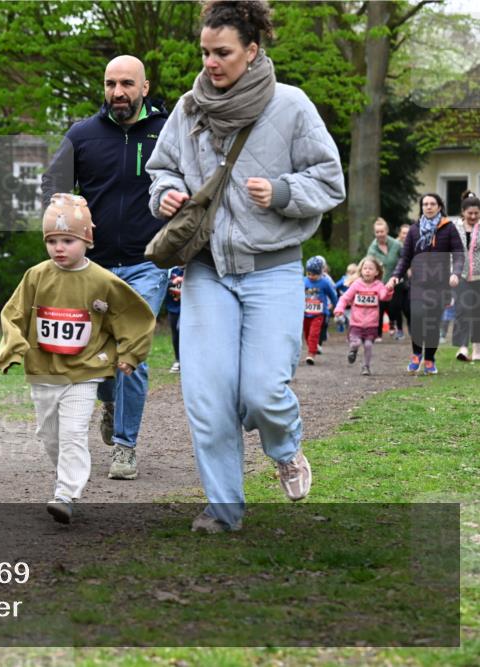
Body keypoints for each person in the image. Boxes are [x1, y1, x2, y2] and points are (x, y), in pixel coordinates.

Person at [146, 0, 345, 532]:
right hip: (207, 268)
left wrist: (282, 191)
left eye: (224, 52)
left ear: (252, 51)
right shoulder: (188, 110)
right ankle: (224, 508)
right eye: (206, 52)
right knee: (207, 397)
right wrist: (166, 195)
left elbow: (330, 180)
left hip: (272, 268)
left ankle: (284, 447)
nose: (212, 62)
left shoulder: (291, 106)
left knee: (263, 391)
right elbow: (161, 171)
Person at [41, 54, 169, 481]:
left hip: (147, 262)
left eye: (128, 84)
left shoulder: (167, 133)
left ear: (144, 88)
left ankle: (125, 447)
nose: (119, 92)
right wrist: (63, 214)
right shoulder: (83, 135)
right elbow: (52, 184)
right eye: (111, 83)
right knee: (93, 353)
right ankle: (112, 401)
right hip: (91, 267)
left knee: (131, 353)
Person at [0, 194, 155, 523]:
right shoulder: (36, 276)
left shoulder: (102, 280)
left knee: (72, 434)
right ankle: (63, 477)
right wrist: (12, 346)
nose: (59, 248)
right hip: (43, 372)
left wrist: (129, 354)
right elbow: (13, 314)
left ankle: (65, 494)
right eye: (52, 241)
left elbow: (133, 316)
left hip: (85, 372)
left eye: (68, 240)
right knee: (50, 435)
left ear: (87, 240)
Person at [386, 193, 464, 375]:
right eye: (425, 204)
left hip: (440, 284)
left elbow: (458, 253)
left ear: (439, 206)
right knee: (417, 317)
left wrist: (456, 273)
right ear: (421, 207)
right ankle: (416, 354)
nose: (428, 207)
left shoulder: (448, 228)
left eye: (432, 204)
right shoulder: (414, 230)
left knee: (432, 322)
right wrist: (395, 276)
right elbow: (405, 258)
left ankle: (429, 358)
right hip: (419, 283)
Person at [333, 256, 393, 376]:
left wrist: (389, 289)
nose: (367, 271)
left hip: (372, 323)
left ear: (376, 272)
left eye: (370, 268)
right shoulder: (356, 285)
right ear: (361, 271)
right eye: (365, 268)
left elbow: (384, 297)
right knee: (355, 343)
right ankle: (353, 350)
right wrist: (339, 309)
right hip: (356, 322)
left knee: (368, 345)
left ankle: (366, 366)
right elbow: (345, 298)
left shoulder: (378, 285)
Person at [452, 192, 480, 361]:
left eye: (476, 213)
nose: (473, 216)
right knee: (462, 310)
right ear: (463, 212)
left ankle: (477, 349)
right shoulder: (454, 227)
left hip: (479, 276)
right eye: (470, 213)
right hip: (460, 275)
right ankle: (462, 348)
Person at [367, 217, 401, 339]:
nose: (380, 234)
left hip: (395, 280)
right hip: (379, 283)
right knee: (379, 307)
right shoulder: (372, 249)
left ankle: (393, 323)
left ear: (386, 231)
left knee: (393, 306)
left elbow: (405, 258)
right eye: (377, 232)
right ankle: (378, 334)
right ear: (375, 233)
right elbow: (368, 263)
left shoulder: (396, 245)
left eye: (382, 231)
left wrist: (407, 270)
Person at [302, 257, 338, 365]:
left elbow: (333, 295)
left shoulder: (325, 283)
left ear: (320, 273)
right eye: (309, 273)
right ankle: (313, 347)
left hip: (319, 314)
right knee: (307, 334)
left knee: (313, 334)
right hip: (305, 313)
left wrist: (337, 307)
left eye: (314, 274)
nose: (311, 276)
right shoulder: (303, 281)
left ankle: (311, 354)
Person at [389, 223, 412, 340]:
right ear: (400, 234)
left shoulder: (414, 243)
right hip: (398, 279)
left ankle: (412, 328)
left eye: (408, 233)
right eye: (403, 233)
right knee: (396, 306)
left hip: (411, 279)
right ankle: (399, 329)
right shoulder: (394, 245)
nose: (406, 235)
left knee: (409, 306)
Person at [164, 266, 185, 373]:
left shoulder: (192, 267)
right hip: (173, 307)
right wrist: (174, 282)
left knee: (181, 329)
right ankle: (178, 360)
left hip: (188, 306)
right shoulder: (170, 270)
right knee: (175, 333)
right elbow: (162, 285)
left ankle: (188, 360)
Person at [334, 263, 358, 333]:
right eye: (349, 272)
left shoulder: (357, 282)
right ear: (346, 273)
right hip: (342, 306)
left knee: (352, 322)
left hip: (351, 306)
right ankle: (341, 326)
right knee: (338, 319)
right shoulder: (343, 279)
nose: (351, 274)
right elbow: (334, 287)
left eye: (353, 273)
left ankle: (351, 335)